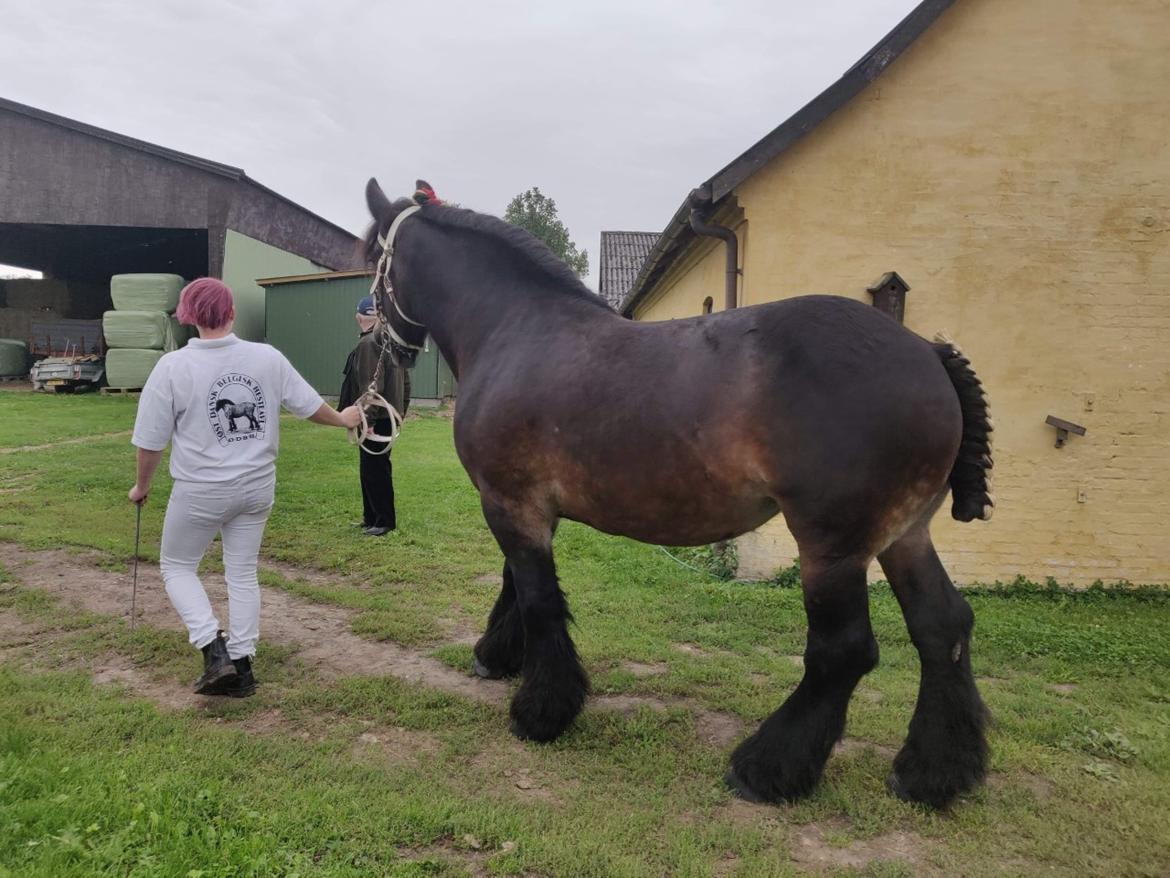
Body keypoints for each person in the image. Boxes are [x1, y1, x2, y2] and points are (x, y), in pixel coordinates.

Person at [127, 278, 363, 697]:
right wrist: (345, 419)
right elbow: (308, 405)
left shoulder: (172, 367)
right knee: (241, 572)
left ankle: (213, 650)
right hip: (257, 486)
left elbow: (150, 440)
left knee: (178, 567)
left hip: (201, 489)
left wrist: (141, 486)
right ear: (231, 312)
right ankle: (243, 664)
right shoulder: (266, 358)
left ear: (187, 317)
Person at [339, 295, 410, 536]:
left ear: (359, 317)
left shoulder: (369, 343)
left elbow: (370, 387)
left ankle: (383, 521)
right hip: (386, 416)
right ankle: (371, 517)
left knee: (375, 469)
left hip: (376, 418)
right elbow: (406, 383)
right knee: (370, 468)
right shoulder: (391, 342)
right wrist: (401, 412)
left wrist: (366, 420)